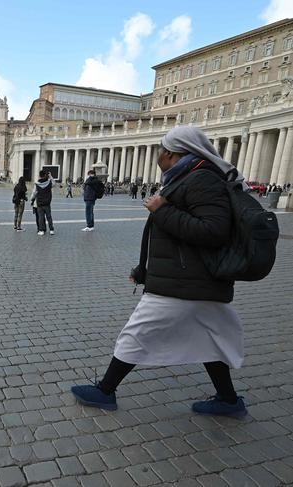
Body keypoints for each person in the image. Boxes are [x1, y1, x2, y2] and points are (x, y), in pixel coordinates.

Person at [71, 125, 249, 418]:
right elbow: (175, 238)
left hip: (184, 283)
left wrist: (162, 209)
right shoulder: (189, 177)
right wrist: (145, 270)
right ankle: (229, 400)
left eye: (160, 149)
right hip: (192, 280)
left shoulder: (201, 179)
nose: (157, 154)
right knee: (210, 338)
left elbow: (213, 231)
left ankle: (105, 391)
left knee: (136, 333)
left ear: (171, 153)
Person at [30, 169, 55, 236]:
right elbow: (54, 183)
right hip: (47, 203)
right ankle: (51, 230)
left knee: (41, 217)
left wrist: (31, 199)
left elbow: (34, 193)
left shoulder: (37, 184)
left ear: (39, 176)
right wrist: (50, 176)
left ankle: (41, 230)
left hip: (40, 203)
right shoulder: (49, 183)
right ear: (45, 175)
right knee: (49, 217)